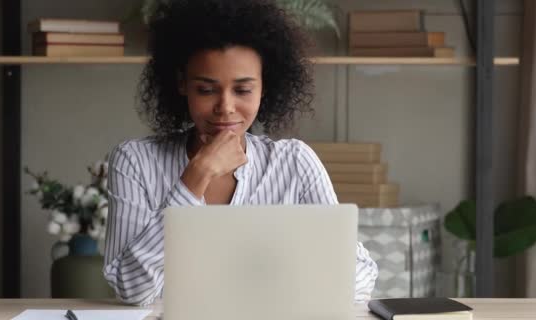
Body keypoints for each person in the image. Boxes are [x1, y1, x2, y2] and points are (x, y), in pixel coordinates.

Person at [103, 0, 378, 307]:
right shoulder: (135, 162)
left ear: (264, 87)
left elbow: (359, 273)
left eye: (243, 90)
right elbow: (131, 289)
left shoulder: (295, 162)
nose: (226, 107)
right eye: (206, 90)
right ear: (182, 83)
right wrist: (196, 177)